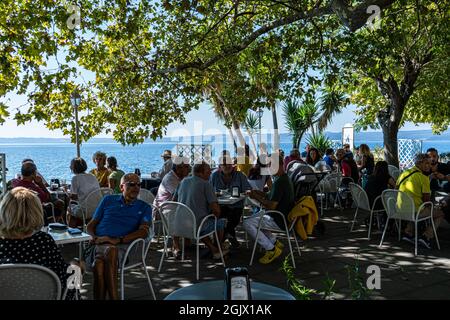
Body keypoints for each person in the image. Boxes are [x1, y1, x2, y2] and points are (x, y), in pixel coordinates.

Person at [0, 187, 82, 299]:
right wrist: (75, 266)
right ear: (36, 212)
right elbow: (62, 278)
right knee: (76, 268)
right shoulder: (43, 241)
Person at [86, 173, 152, 300]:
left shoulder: (144, 207)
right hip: (98, 243)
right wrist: (93, 236)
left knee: (102, 260)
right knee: (101, 261)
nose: (136, 188)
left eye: (139, 184)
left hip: (124, 246)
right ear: (122, 187)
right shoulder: (108, 200)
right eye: (131, 184)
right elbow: (91, 225)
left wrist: (116, 240)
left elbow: (143, 232)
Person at [244, 153, 295, 264]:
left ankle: (271, 249)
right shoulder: (284, 179)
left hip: (279, 219)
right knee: (254, 218)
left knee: (247, 223)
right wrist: (259, 193)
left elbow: (271, 205)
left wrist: (255, 196)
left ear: (280, 165)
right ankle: (274, 242)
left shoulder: (280, 182)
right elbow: (271, 196)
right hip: (283, 216)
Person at [173, 162, 228, 259]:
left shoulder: (183, 181)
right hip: (197, 226)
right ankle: (217, 249)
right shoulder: (206, 184)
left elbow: (174, 201)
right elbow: (216, 210)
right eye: (208, 172)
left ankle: (213, 249)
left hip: (179, 225)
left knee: (201, 220)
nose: (210, 173)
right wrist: (214, 215)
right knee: (220, 222)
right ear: (200, 173)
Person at [397, 154, 444, 249]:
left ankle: (408, 232)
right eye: (426, 163)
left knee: (417, 206)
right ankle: (426, 236)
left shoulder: (404, 174)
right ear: (419, 163)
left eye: (430, 164)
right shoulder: (423, 178)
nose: (429, 166)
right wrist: (435, 206)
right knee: (440, 213)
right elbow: (426, 201)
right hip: (414, 212)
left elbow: (395, 188)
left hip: (398, 210)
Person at [210, 153, 252, 248]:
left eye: (230, 164)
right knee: (220, 216)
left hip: (236, 205)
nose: (228, 166)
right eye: (224, 164)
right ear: (220, 166)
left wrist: (248, 191)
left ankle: (218, 243)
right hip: (220, 205)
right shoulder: (214, 176)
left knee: (233, 218)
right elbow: (209, 189)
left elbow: (248, 188)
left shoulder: (240, 175)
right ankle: (228, 239)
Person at [153, 157, 191, 258]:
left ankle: (188, 241)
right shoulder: (170, 178)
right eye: (187, 167)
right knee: (175, 211)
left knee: (189, 209)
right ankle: (176, 246)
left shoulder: (182, 177)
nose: (190, 169)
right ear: (178, 168)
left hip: (172, 205)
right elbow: (178, 197)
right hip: (160, 209)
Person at [66, 157, 101, 228]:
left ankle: (71, 230)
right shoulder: (92, 176)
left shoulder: (75, 178)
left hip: (85, 210)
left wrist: (66, 191)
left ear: (74, 168)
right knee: (75, 209)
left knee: (69, 210)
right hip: (97, 209)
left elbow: (74, 198)